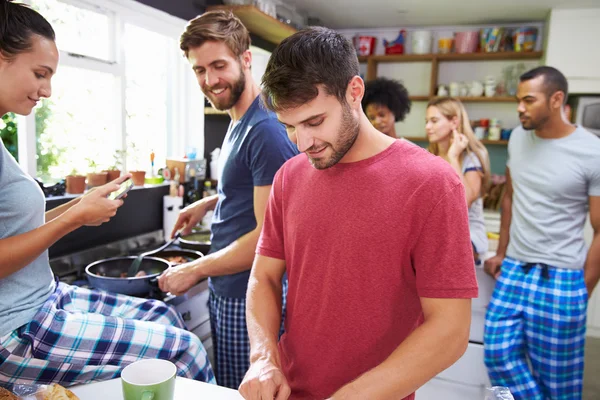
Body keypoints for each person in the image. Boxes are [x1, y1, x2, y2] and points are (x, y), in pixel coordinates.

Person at [239, 27, 479, 400]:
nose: (303, 144)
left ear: (354, 92)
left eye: (315, 122)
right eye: (289, 127)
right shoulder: (289, 177)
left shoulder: (433, 183)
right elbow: (264, 278)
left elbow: (449, 329)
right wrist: (264, 357)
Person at [0, 0, 213, 388]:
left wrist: (78, 205)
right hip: (15, 330)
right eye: (39, 73)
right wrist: (74, 218)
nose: (46, 90)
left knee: (162, 316)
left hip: (44, 300)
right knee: (185, 348)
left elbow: (12, 229)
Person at [157, 11, 297, 389]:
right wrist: (207, 204)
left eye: (219, 65)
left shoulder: (265, 130)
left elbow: (269, 237)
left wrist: (194, 270)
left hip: (247, 296)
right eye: (199, 70)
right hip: (229, 288)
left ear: (246, 59)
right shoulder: (240, 118)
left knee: (243, 392)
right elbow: (248, 190)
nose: (209, 80)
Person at [483, 66, 600, 400]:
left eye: (528, 100)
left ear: (556, 100)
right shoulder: (518, 137)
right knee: (496, 355)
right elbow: (510, 198)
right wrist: (502, 251)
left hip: (561, 278)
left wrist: (582, 289)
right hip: (516, 270)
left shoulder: (592, 152)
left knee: (557, 383)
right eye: (518, 100)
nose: (520, 108)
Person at [425, 97, 490, 262]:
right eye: (427, 121)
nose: (428, 127)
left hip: (468, 236)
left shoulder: (472, 157)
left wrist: (453, 157)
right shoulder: (427, 156)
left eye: (434, 121)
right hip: (436, 236)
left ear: (454, 122)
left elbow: (464, 200)